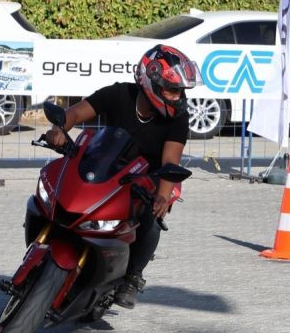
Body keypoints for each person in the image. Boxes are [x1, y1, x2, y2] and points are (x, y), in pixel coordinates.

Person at [44, 44, 199, 309]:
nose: (177, 97)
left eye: (180, 92)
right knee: (56, 186)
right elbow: (77, 112)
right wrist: (59, 128)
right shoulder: (119, 94)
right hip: (103, 165)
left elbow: (170, 160)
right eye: (172, 90)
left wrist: (162, 195)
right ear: (150, 82)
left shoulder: (178, 119)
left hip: (142, 179)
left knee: (152, 216)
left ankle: (132, 276)